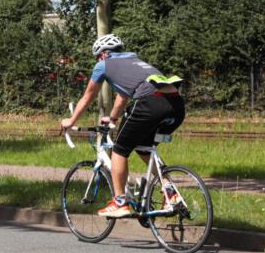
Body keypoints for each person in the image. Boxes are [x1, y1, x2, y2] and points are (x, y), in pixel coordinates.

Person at [59, 34, 185, 217]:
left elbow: (88, 96)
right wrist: (113, 118)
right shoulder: (134, 60)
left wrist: (70, 121)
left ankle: (120, 201)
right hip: (176, 106)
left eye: (97, 57)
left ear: (102, 55)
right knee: (144, 148)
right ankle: (171, 193)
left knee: (119, 150)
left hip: (150, 102)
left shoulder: (103, 64)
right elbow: (123, 95)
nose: (97, 61)